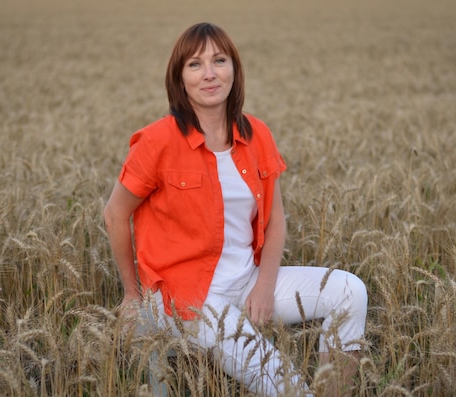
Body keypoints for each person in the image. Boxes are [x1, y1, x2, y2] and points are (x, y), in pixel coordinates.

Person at [103, 22, 368, 397]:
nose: (209, 74)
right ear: (179, 79)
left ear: (234, 69)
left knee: (349, 291)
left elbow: (276, 221)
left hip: (246, 282)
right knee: (283, 380)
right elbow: (115, 213)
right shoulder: (157, 140)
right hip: (188, 298)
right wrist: (132, 295)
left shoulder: (256, 134)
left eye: (219, 60)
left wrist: (264, 285)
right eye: (195, 65)